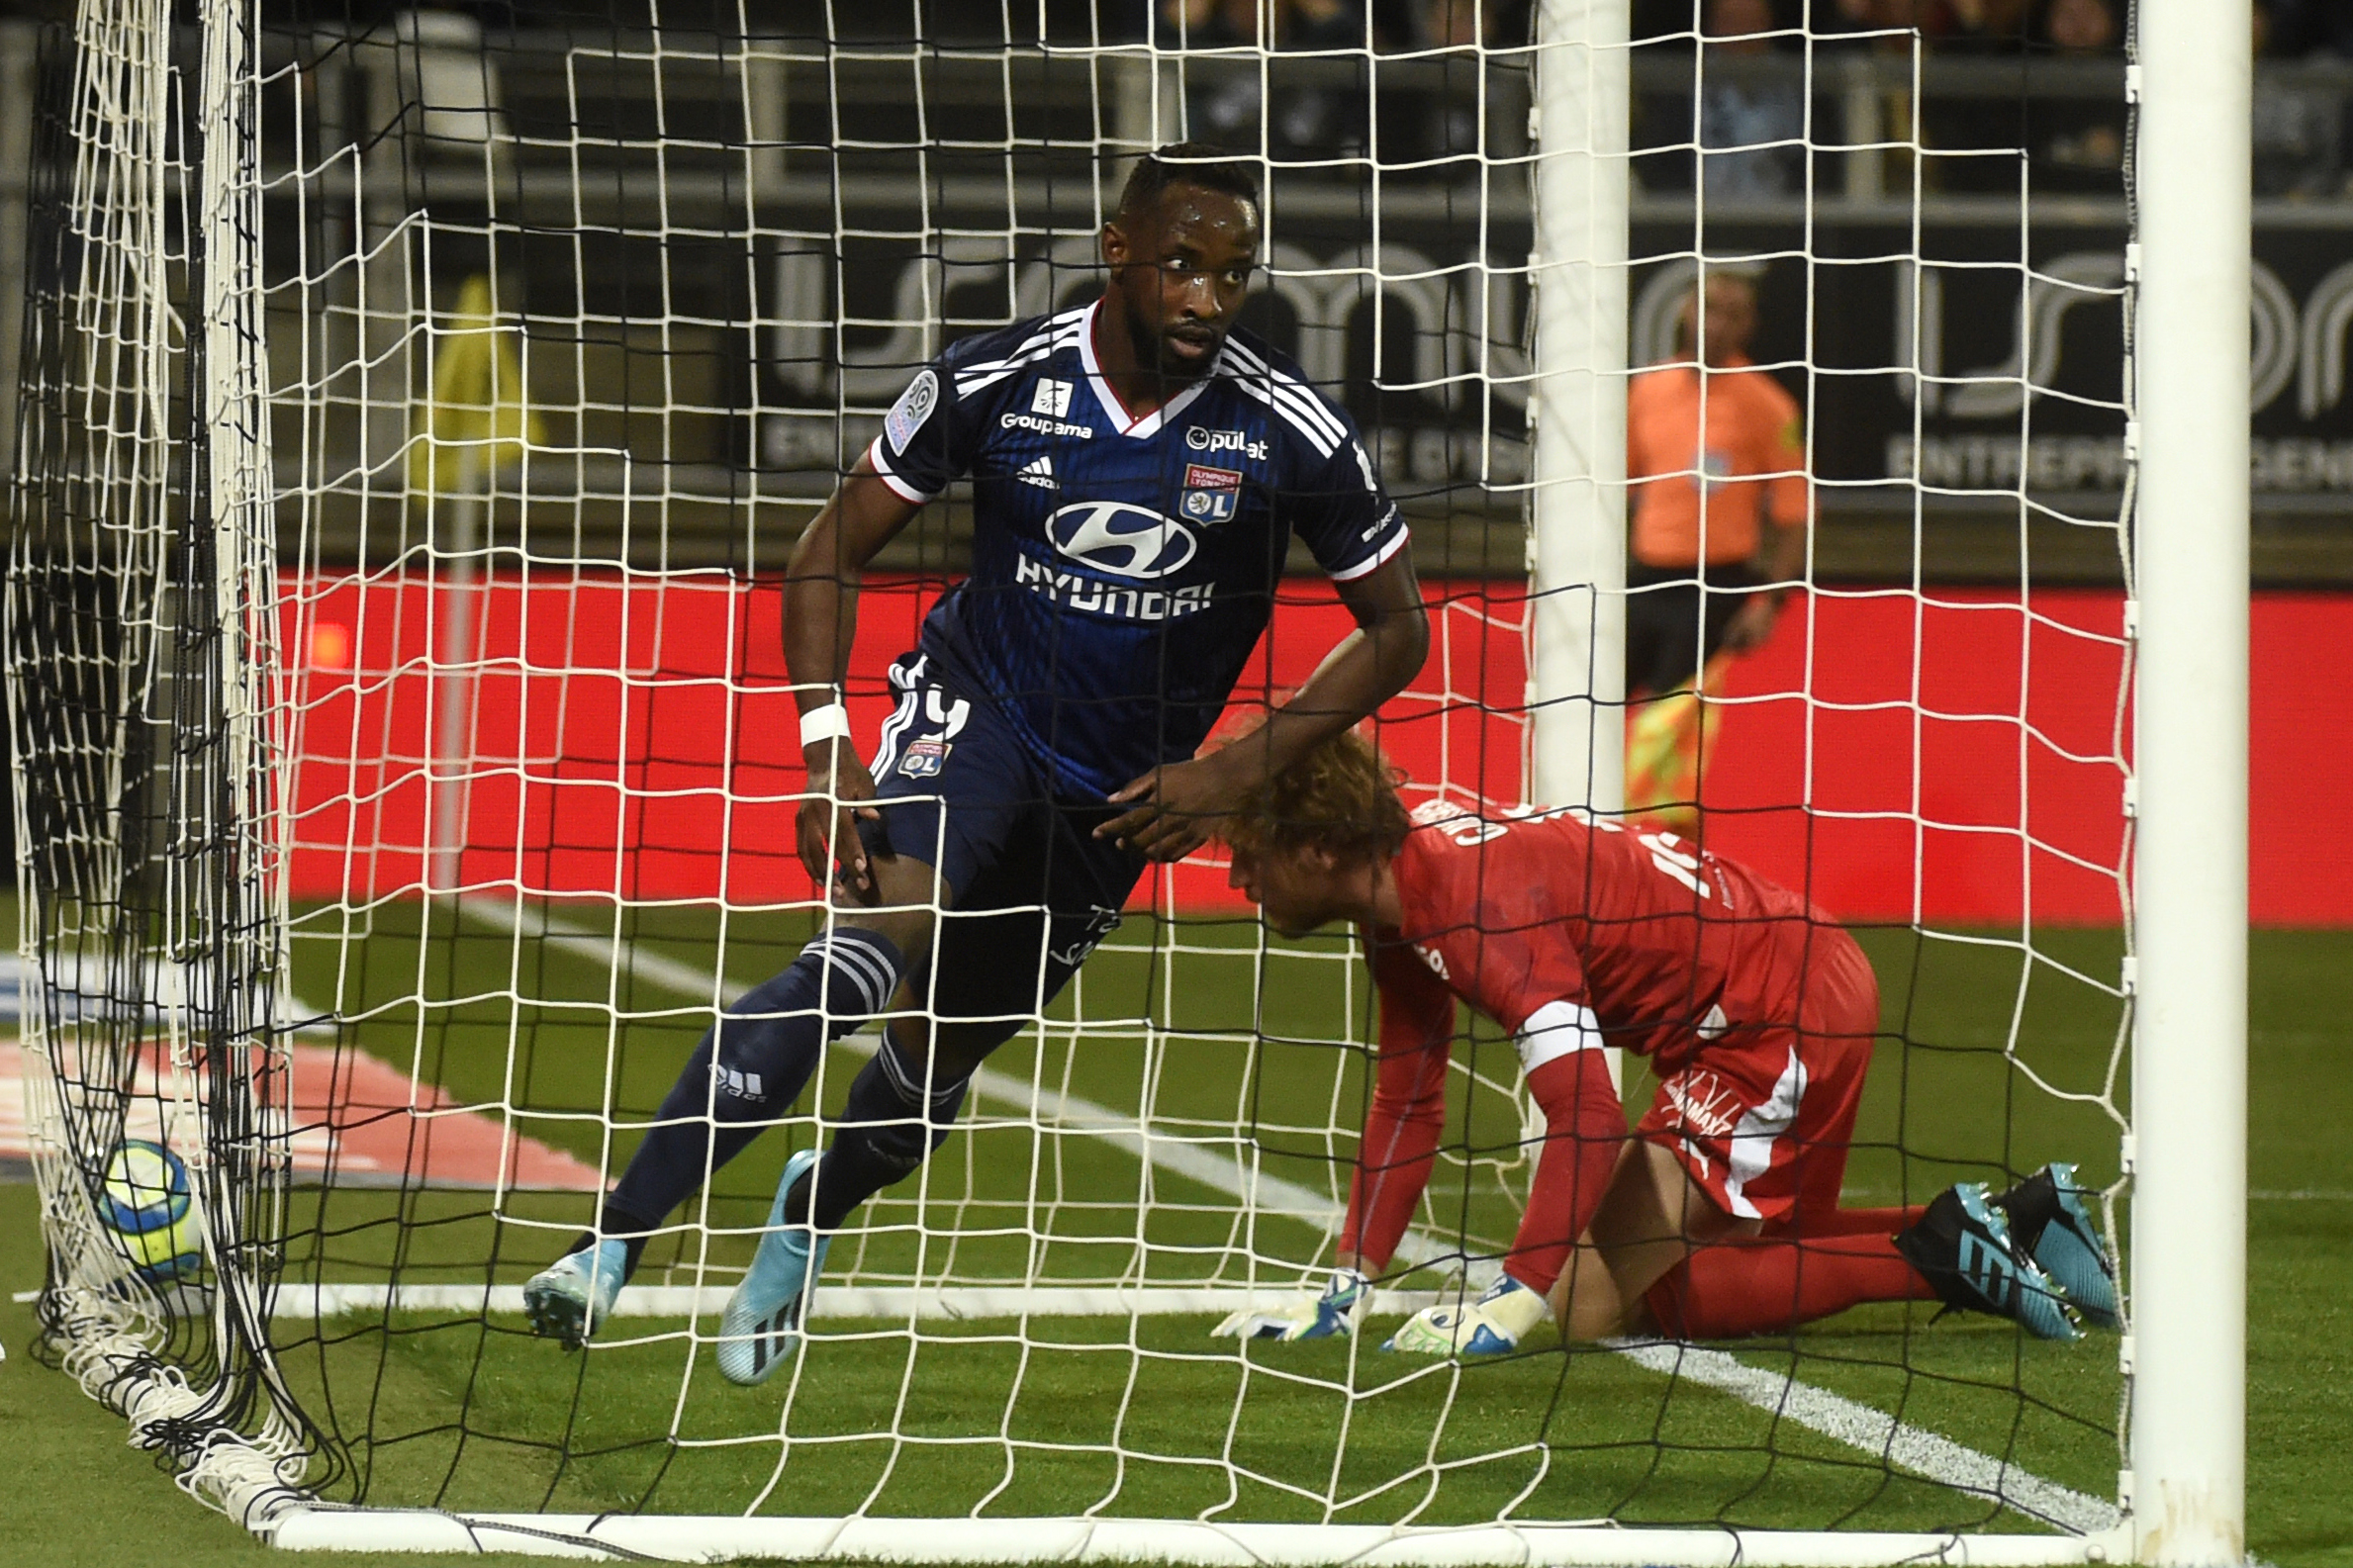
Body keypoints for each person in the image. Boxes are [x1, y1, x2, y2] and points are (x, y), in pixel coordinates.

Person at [522, 143, 1431, 1383]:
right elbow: (826, 550)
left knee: (935, 1057)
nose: (1207, 301)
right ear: (1119, 251)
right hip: (975, 714)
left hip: (1120, 799)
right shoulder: (996, 378)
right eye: (1181, 266)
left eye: (1232, 274)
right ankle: (609, 1244)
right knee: (861, 952)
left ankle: (808, 1213)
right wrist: (826, 747)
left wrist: (1232, 771)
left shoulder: (1285, 431)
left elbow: (1398, 631)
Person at [1212, 731, 2118, 1353]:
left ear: (1322, 845)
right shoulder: (1402, 895)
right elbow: (1408, 1097)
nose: (1239, 874)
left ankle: (1944, 1260)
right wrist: (1347, 1288)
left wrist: (1517, 1292)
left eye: (1251, 847)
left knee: (1603, 1298)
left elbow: (1587, 1111)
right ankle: (2027, 1220)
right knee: (1688, 1263)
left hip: (1776, 1011)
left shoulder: (1472, 907)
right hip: (1773, 985)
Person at [1622, 268, 1807, 837]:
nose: (1715, 323)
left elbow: (1797, 514)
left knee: (1667, 742)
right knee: (1587, 714)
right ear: (1685, 311)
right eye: (1707, 308)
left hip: (1714, 589)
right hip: (1643, 581)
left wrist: (1769, 604)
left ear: (1748, 326)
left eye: (1730, 313)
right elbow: (1622, 487)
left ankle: (1661, 870)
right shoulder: (1648, 390)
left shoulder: (1768, 406)